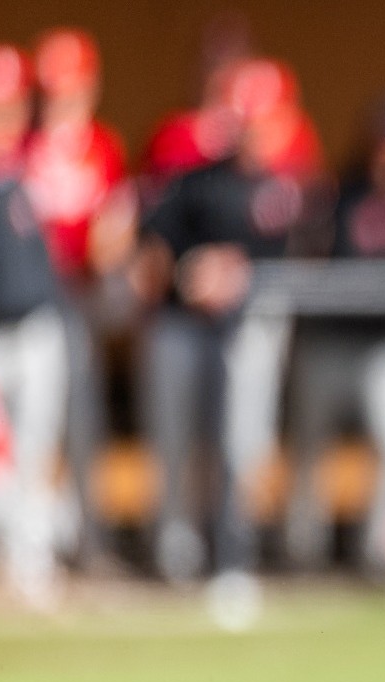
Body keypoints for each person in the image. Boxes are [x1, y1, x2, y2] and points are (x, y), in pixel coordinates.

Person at [132, 58, 321, 624]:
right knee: (174, 438)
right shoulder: (197, 179)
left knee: (243, 444)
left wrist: (243, 275)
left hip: (252, 330)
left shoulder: (296, 189)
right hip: (185, 328)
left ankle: (234, 556)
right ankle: (175, 550)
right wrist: (192, 271)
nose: (254, 130)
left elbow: (310, 261)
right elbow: (151, 251)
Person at [283, 94, 385, 580]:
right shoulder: (336, 195)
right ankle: (301, 551)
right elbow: (305, 262)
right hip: (328, 340)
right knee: (309, 446)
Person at [22, 27, 137, 571]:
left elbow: (115, 229)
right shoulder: (20, 146)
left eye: (68, 87)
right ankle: (26, 547)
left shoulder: (102, 146)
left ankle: (91, 543)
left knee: (81, 421)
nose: (57, 99)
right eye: (49, 89)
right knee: (24, 431)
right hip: (24, 303)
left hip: (79, 299)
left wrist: (109, 248)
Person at [0, 42, 71, 610]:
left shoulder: (40, 164)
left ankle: (31, 566)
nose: (4, 120)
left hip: (39, 329)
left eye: (12, 108)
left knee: (37, 450)